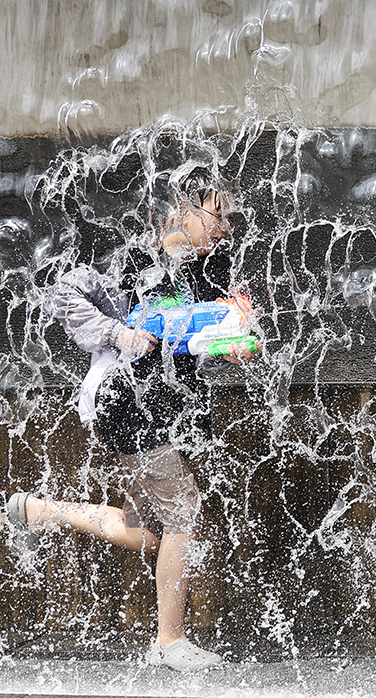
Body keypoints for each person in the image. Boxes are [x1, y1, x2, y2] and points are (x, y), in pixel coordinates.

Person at [5, 167, 259, 671]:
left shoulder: (216, 269)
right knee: (183, 510)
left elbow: (236, 328)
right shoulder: (131, 262)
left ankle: (34, 511)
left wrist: (238, 342)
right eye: (217, 214)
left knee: (150, 532)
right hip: (125, 401)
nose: (225, 226)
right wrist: (117, 334)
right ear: (180, 210)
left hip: (165, 408)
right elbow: (64, 295)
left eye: (230, 217)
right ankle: (170, 640)